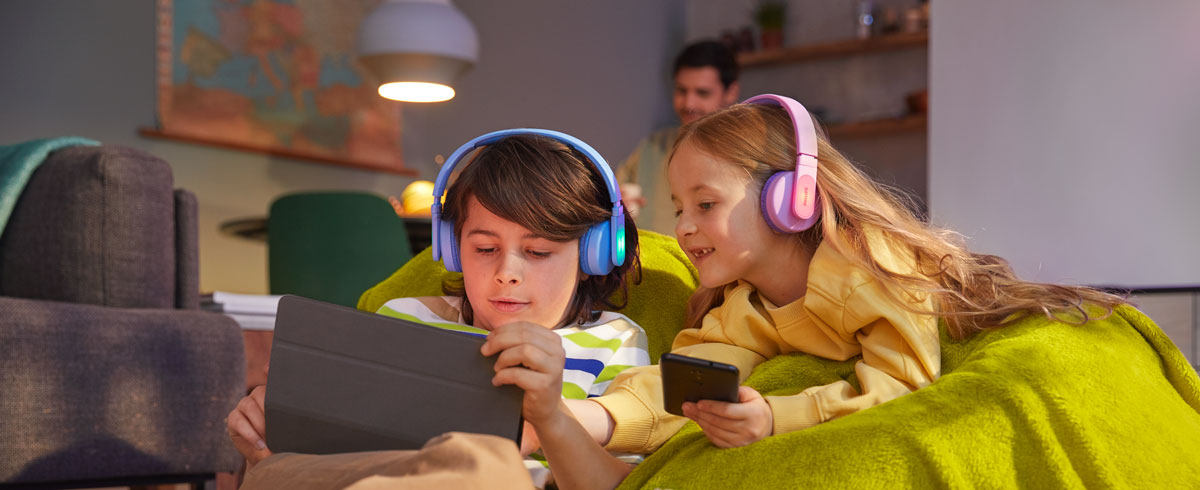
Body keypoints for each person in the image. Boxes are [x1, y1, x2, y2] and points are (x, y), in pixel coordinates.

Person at [541, 94, 1128, 490]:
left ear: (789, 199)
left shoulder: (863, 269)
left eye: (706, 204)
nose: (685, 226)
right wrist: (588, 418)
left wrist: (776, 417)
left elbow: (900, 384)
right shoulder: (748, 301)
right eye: (677, 209)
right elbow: (686, 374)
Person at [225, 130, 647, 489]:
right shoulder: (406, 318)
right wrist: (269, 435)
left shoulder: (616, 342)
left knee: (486, 467)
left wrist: (551, 417)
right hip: (381, 476)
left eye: (537, 252)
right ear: (452, 247)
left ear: (593, 256)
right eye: (484, 249)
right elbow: (341, 455)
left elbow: (612, 483)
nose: (507, 273)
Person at [618, 40, 740, 236]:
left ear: (731, 92)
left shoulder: (746, 151)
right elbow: (611, 195)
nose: (689, 103)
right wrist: (616, 206)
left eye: (702, 93)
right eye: (682, 91)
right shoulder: (652, 146)